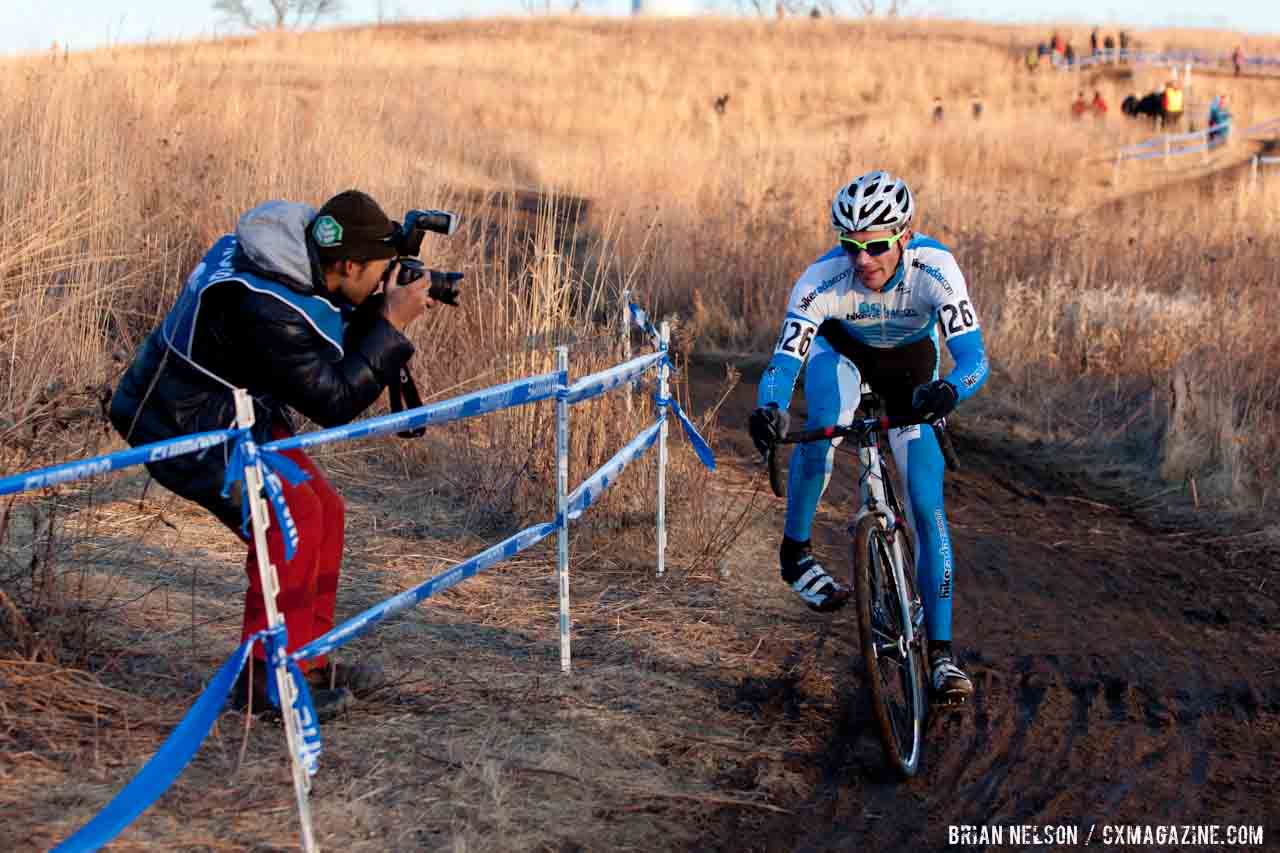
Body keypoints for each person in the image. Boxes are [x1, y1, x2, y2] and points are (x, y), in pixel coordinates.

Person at [110, 190, 439, 718]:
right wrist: (391, 325)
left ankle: (304, 658)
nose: (382, 284)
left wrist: (376, 312)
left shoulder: (290, 257)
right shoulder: (267, 307)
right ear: (348, 264)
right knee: (290, 520)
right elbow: (333, 401)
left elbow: (320, 339)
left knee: (325, 509)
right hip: (180, 421)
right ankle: (264, 678)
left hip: (231, 407)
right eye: (378, 274)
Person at [748, 171, 989, 703]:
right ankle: (797, 556)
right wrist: (770, 409)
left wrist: (950, 390)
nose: (862, 260)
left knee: (925, 503)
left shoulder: (935, 268)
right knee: (825, 426)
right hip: (843, 354)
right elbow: (783, 364)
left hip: (909, 371)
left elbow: (974, 359)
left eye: (876, 245)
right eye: (851, 245)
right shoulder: (820, 281)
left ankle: (942, 656)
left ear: (905, 235)